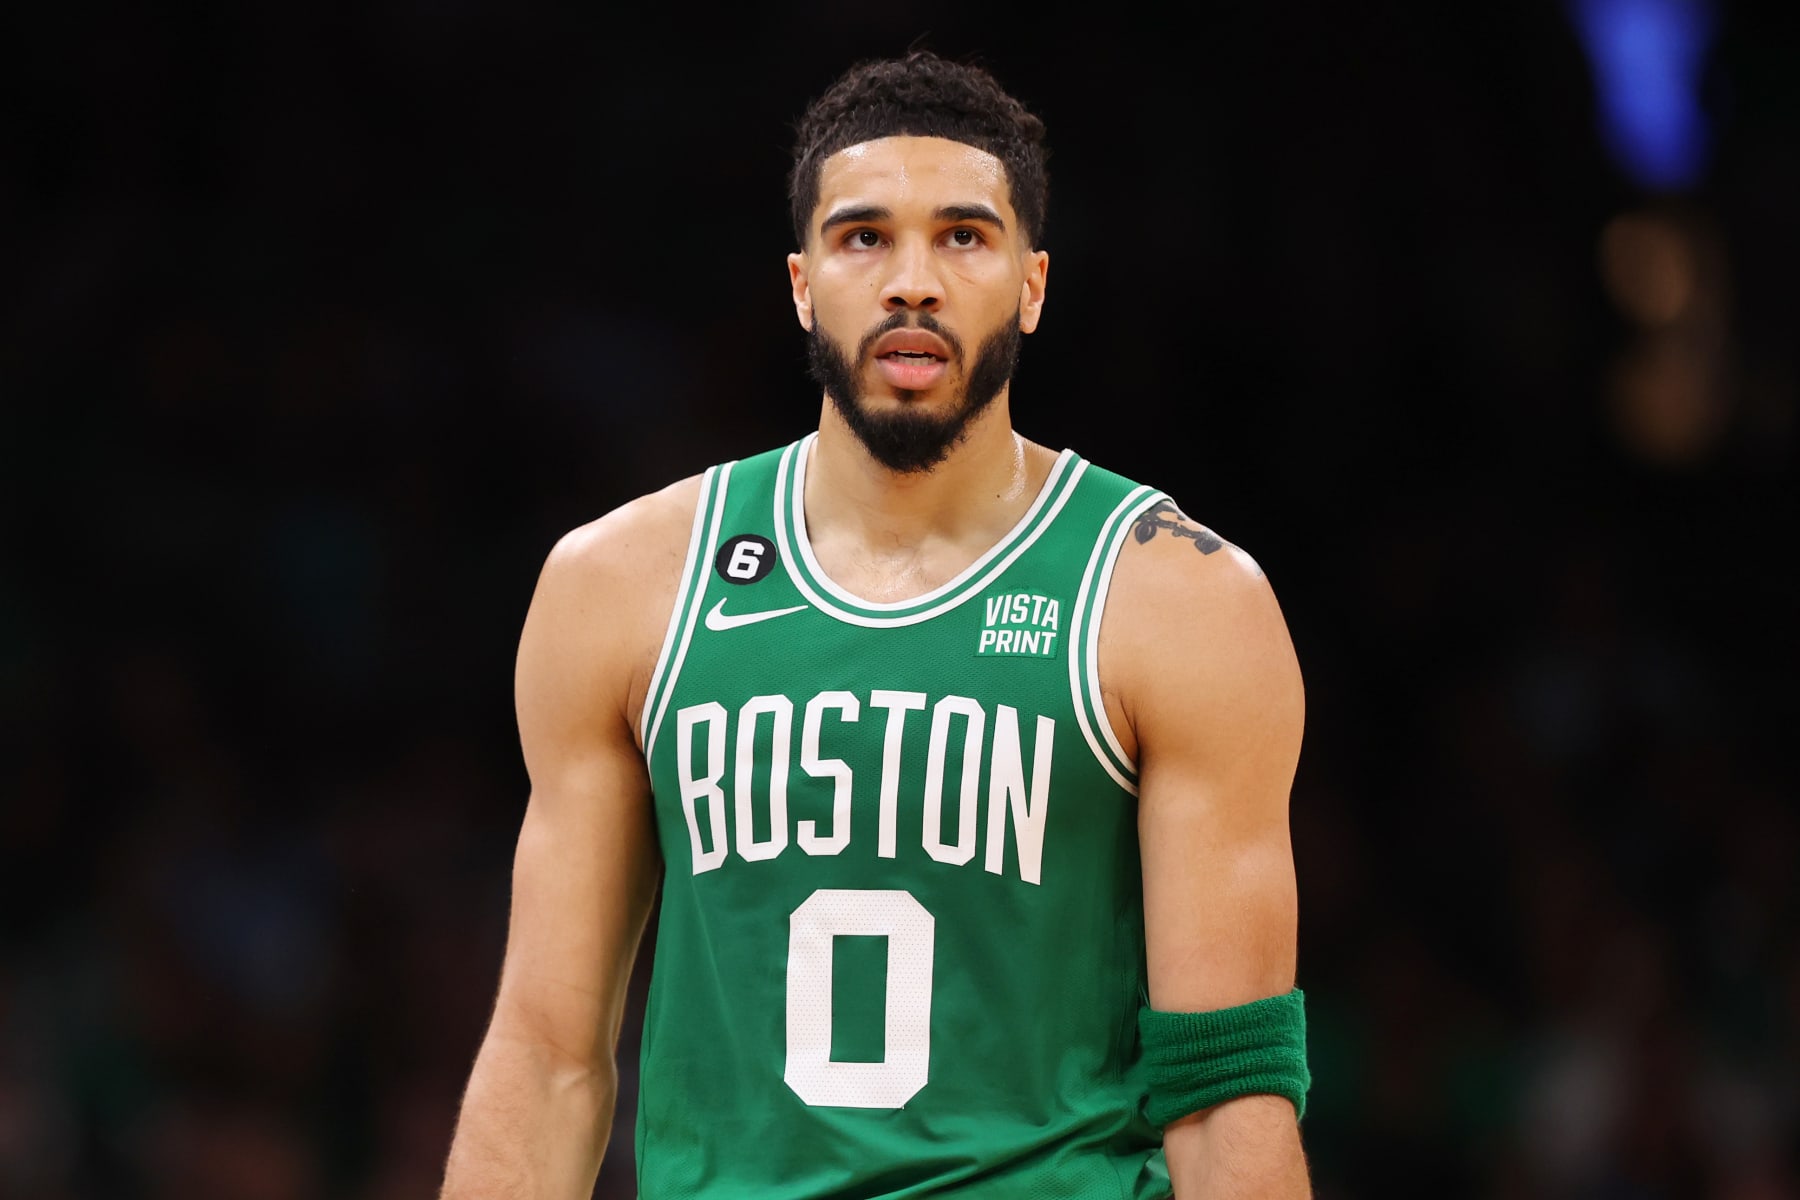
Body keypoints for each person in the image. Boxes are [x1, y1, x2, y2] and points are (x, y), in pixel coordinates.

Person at [440, 49, 1311, 1199]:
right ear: (802, 284)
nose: (913, 282)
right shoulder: (623, 584)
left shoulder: (1178, 600)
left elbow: (1226, 1091)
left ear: (1033, 285)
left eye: (963, 236)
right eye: (863, 237)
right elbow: (547, 1057)